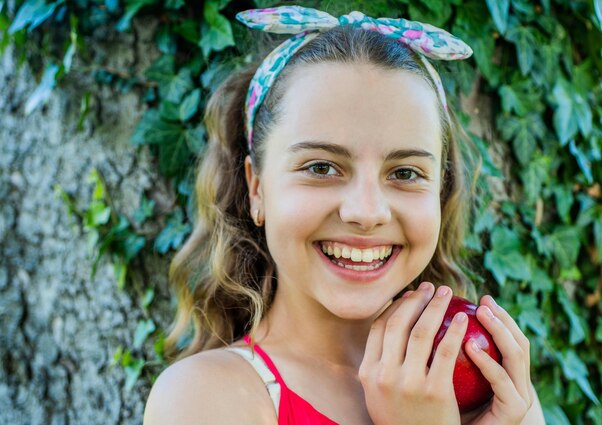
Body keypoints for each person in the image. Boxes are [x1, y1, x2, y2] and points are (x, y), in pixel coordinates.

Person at [143, 5, 545, 425]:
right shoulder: (207, 398)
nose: (366, 212)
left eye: (405, 173)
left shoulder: (495, 390)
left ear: (440, 195)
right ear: (256, 188)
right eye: (321, 167)